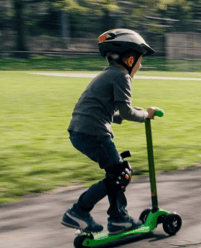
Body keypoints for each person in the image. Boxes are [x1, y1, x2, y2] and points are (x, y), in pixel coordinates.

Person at [61, 29, 159, 235]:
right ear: (130, 59)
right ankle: (81, 212)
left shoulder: (107, 75)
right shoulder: (122, 76)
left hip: (80, 130)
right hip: (94, 132)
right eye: (140, 61)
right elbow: (126, 111)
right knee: (120, 174)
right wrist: (146, 116)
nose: (140, 66)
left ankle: (117, 219)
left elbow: (109, 112)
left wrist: (134, 112)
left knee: (116, 173)